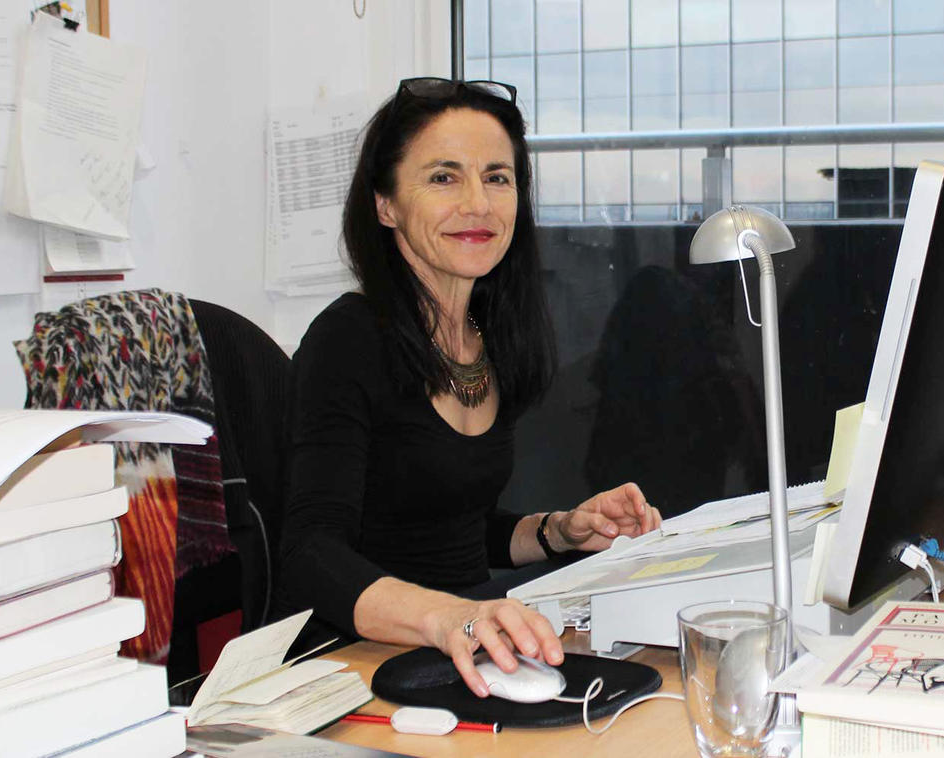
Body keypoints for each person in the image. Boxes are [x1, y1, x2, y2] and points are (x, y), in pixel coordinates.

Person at [278, 77, 661, 697]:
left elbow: (450, 524)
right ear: (386, 204)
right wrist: (452, 616)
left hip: (468, 639)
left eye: (497, 177)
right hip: (360, 661)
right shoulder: (346, 340)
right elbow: (309, 553)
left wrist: (559, 531)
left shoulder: (489, 337)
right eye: (443, 177)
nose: (478, 203)